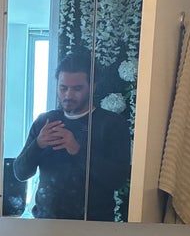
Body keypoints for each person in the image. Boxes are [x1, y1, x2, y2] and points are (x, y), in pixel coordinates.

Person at [13, 52, 130, 221]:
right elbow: (20, 173)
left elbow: (118, 180)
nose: (68, 95)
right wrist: (37, 145)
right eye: (63, 88)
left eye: (77, 89)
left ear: (92, 87)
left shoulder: (112, 124)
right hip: (45, 223)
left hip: (94, 225)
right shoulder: (45, 122)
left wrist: (78, 150)